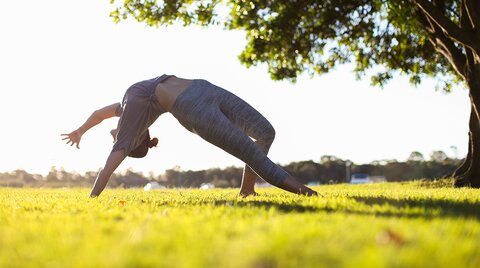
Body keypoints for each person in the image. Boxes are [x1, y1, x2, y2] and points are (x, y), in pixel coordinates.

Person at [62, 75, 318, 197]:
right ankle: (307, 193)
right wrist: (92, 197)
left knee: (265, 132)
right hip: (196, 111)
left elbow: (98, 114)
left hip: (203, 87)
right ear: (136, 139)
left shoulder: (126, 107)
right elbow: (108, 168)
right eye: (119, 140)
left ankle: (247, 190)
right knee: (249, 151)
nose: (115, 136)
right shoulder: (129, 131)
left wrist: (80, 130)